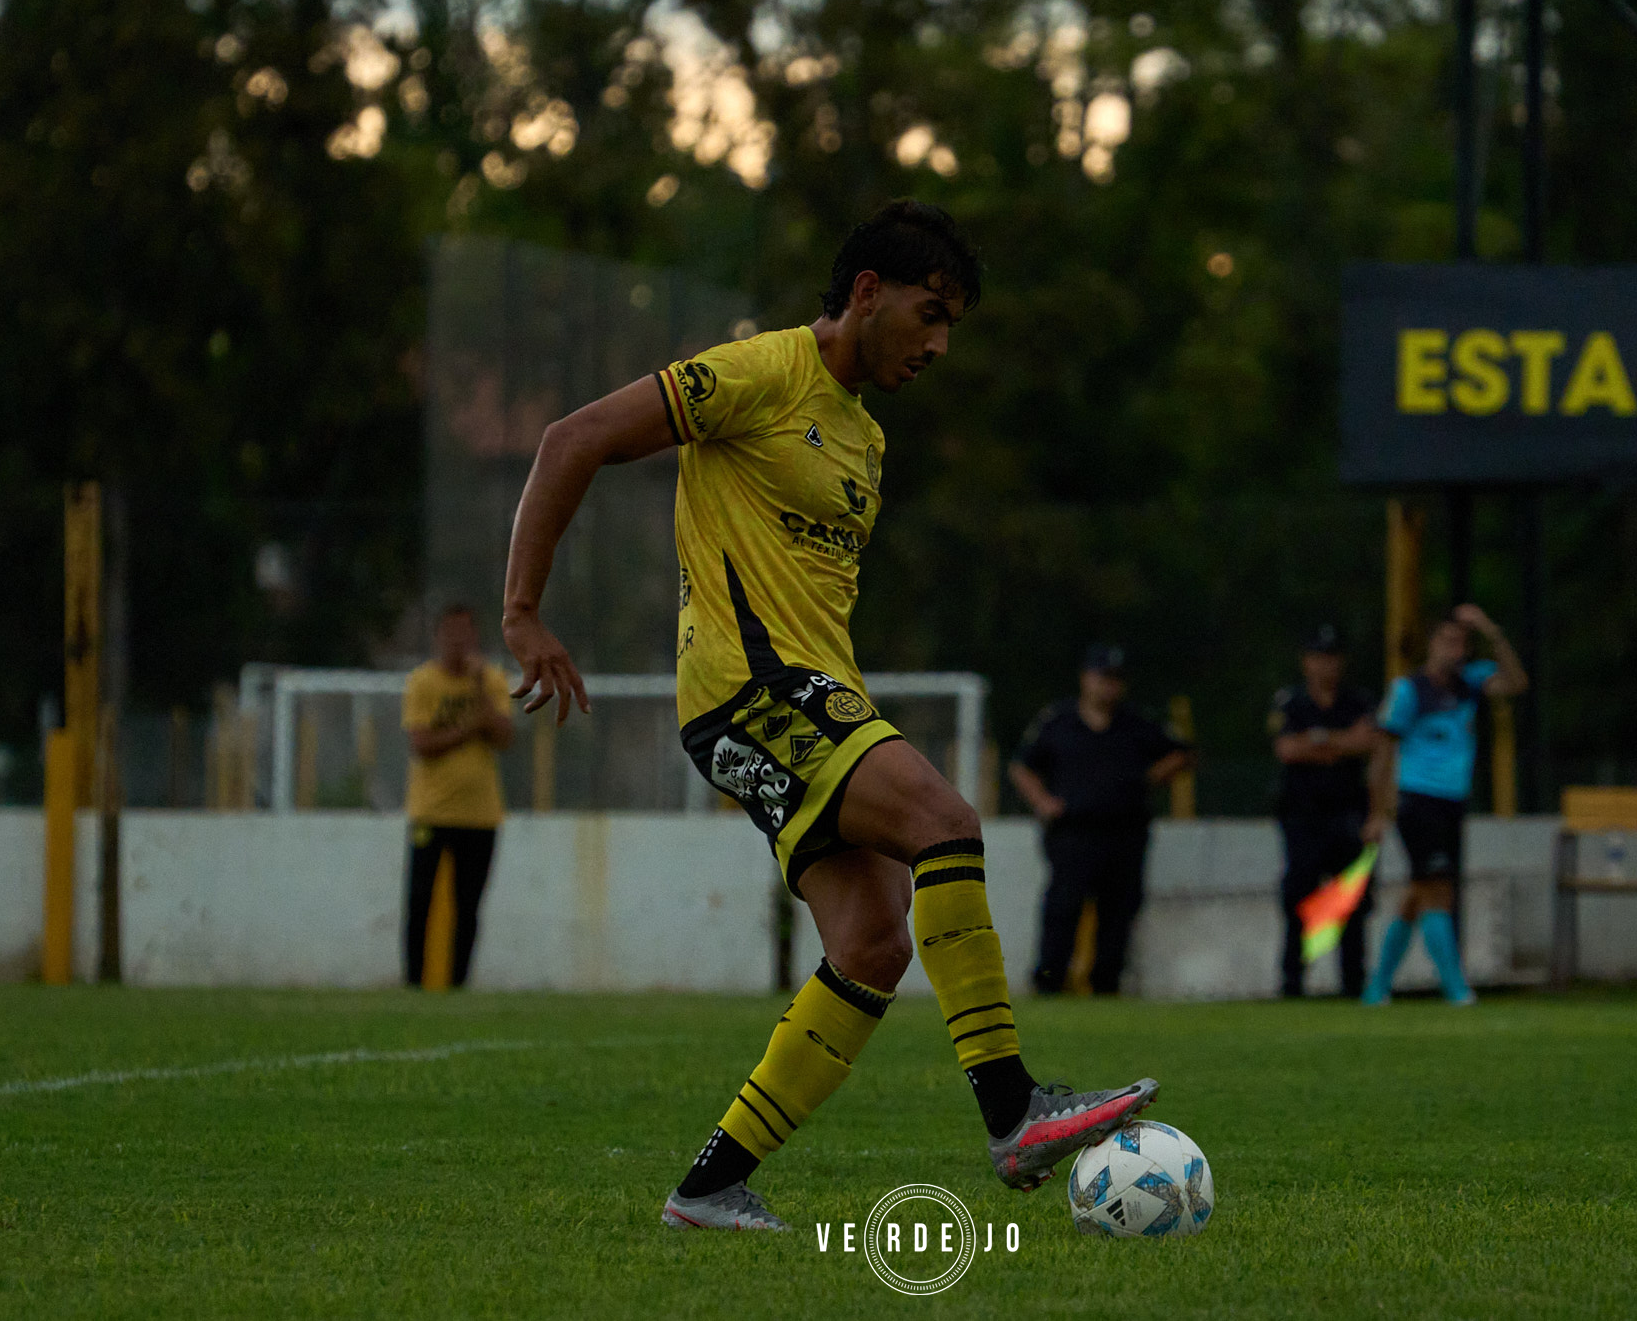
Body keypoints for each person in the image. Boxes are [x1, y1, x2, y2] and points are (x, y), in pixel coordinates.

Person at [500, 200, 1156, 1233]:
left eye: (951, 326)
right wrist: (523, 610)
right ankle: (1011, 1107)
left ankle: (708, 1185)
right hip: (750, 692)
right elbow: (570, 436)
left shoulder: (865, 438)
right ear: (865, 293)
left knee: (870, 944)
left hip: (797, 699)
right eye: (928, 314)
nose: (938, 344)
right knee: (946, 819)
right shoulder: (757, 373)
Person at [1361, 604, 1528, 1006]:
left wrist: (1492, 631)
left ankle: (1377, 986)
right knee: (1438, 891)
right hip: (1418, 801)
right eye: (1447, 641)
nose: (1454, 650)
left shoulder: (1469, 684)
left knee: (1419, 893)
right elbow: (1383, 752)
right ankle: (1455, 988)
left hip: (1453, 802)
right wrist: (1378, 810)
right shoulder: (1409, 691)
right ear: (1432, 644)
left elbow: (1517, 682)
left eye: (1461, 644)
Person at [1009, 645, 1195, 996]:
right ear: (1085, 679)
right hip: (1073, 831)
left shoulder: (1137, 723)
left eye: (1115, 680)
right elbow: (1022, 765)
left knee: (1119, 912)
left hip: (1124, 830)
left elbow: (1182, 753)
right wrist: (1042, 802)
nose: (1108, 687)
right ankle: (1049, 982)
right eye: (1102, 678)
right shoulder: (1058, 721)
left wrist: (1147, 779)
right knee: (1063, 909)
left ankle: (1106, 984)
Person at [401, 603, 515, 988]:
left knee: (469, 907)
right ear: (438, 637)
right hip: (430, 812)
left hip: (480, 815)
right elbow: (422, 743)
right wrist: (471, 728)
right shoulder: (422, 683)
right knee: (420, 902)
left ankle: (458, 983)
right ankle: (414, 982)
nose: (458, 641)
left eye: (465, 633)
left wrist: (481, 690)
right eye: (450, 633)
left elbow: (503, 736)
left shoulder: (492, 680)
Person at [1269, 624, 1378, 998]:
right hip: (1303, 814)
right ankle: (1293, 981)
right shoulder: (1291, 702)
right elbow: (1287, 749)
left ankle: (1353, 982)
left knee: (1350, 899)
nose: (1325, 666)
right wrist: (1338, 742)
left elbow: (1368, 742)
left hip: (1348, 813)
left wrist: (1318, 740)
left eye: (1331, 658)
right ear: (1306, 662)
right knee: (1300, 897)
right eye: (1318, 658)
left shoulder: (1358, 701)